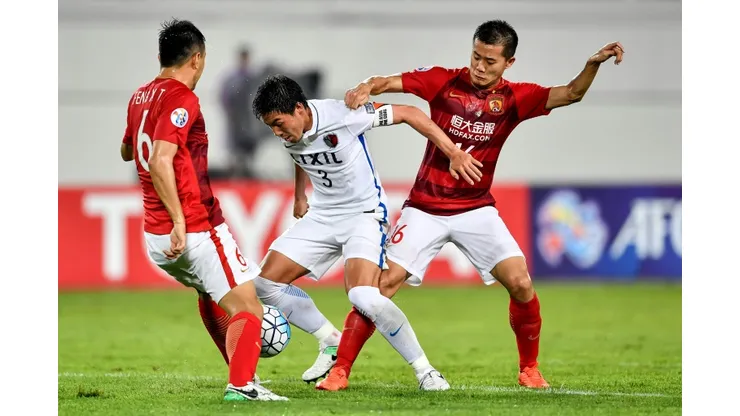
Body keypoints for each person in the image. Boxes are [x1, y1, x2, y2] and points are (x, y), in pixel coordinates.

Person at [325, 19, 626, 390]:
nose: (480, 67)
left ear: (509, 63)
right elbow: (385, 82)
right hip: (425, 208)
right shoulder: (442, 81)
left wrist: (592, 64)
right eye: (476, 57)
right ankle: (340, 370)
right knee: (382, 286)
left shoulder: (515, 98)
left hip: (476, 210)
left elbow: (571, 94)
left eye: (490, 61)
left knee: (521, 283)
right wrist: (364, 87)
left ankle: (529, 369)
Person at [249, 75, 483, 391]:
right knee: (265, 283)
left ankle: (426, 371)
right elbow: (301, 151)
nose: (276, 133)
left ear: (300, 109)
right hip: (323, 216)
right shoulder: (291, 130)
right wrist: (300, 194)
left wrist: (453, 152)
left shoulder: (344, 115)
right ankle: (330, 340)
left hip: (363, 214)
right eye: (271, 127)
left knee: (363, 295)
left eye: (278, 124)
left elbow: (410, 113)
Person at [119, 19, 287, 402]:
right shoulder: (182, 98)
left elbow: (128, 150)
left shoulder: (139, 97)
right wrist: (180, 220)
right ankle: (241, 386)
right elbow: (160, 159)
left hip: (155, 236)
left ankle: (244, 376)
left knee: (209, 294)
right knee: (249, 308)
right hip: (194, 227)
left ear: (160, 56)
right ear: (196, 59)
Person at [220, 46, 263, 178]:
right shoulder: (232, 79)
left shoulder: (254, 78)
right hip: (236, 122)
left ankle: (248, 175)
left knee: (250, 153)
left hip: (251, 122)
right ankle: (235, 176)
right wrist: (231, 114)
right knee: (234, 152)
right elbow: (224, 98)